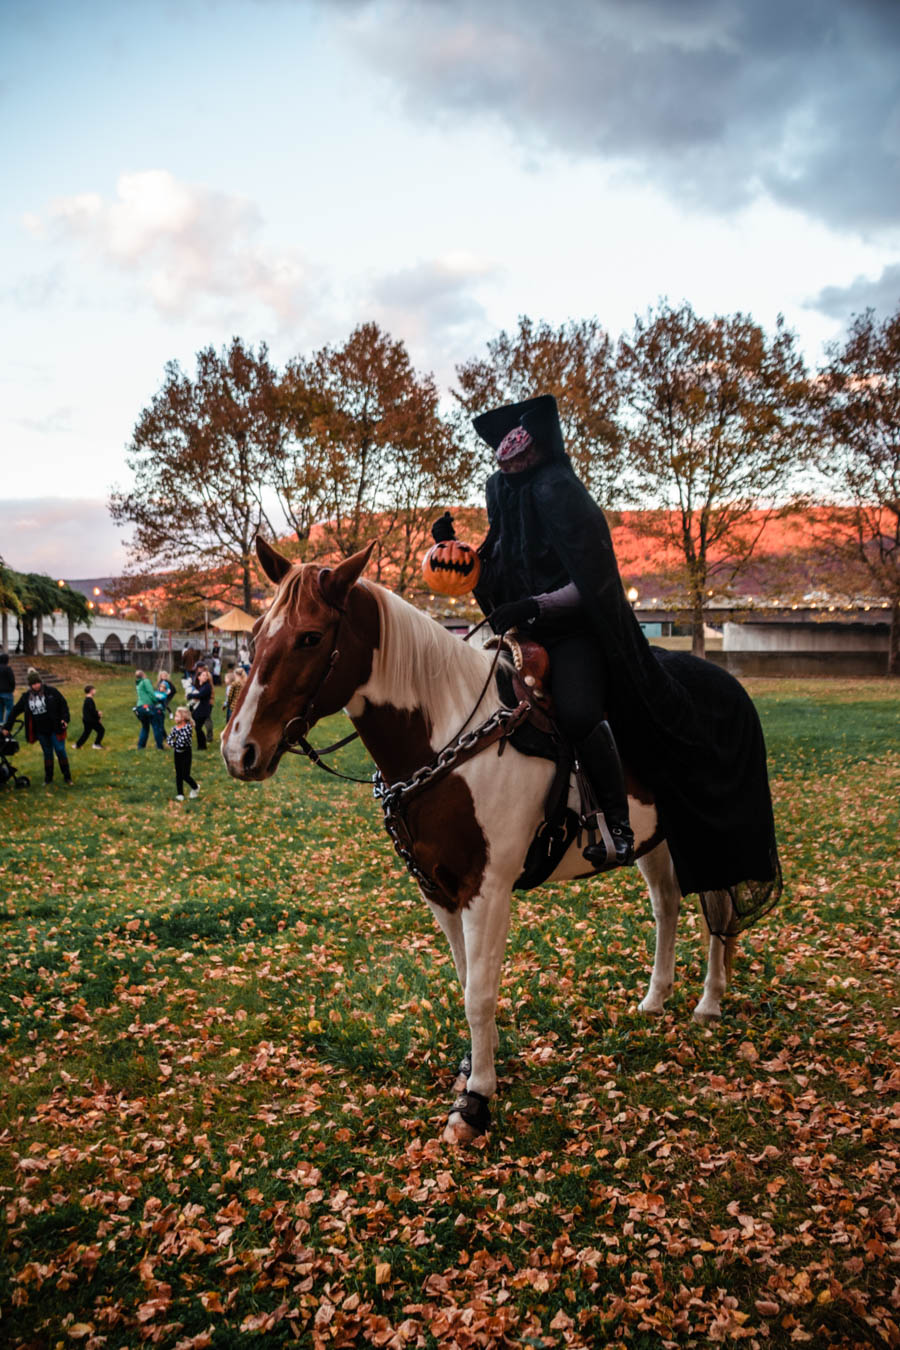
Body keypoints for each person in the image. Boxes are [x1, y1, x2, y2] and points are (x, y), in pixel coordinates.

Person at [435, 394, 780, 911]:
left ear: (536, 449)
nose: (507, 463)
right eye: (502, 458)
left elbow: (593, 583)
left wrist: (535, 604)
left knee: (576, 710)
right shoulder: (506, 498)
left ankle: (614, 823)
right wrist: (457, 551)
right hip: (526, 634)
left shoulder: (563, 494)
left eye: (516, 454)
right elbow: (500, 566)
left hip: (578, 631)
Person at [4, 668, 72, 785]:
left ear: (41, 682)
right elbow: (15, 711)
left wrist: (65, 719)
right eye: (33, 684)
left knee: (60, 750)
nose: (36, 686)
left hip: (55, 728)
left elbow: (63, 705)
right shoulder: (26, 697)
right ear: (30, 685)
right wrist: (7, 727)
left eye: (37, 683)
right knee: (47, 753)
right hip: (41, 731)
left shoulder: (51, 692)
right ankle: (48, 778)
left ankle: (67, 776)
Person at [166, 706, 200, 801]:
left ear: (183, 718)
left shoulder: (187, 728)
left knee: (185, 774)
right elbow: (169, 739)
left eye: (177, 716)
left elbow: (181, 743)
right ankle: (180, 794)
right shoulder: (175, 728)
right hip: (177, 753)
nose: (174, 718)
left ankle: (195, 787)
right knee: (178, 774)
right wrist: (173, 744)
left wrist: (172, 744)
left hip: (186, 753)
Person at [134, 669, 165, 749]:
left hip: (139, 708)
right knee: (156, 726)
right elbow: (151, 693)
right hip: (148, 707)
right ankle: (159, 746)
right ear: (143, 675)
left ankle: (141, 746)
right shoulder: (145, 681)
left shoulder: (138, 683)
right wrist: (156, 702)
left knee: (145, 727)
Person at [189, 662, 214, 749]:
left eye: (206, 676)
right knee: (197, 728)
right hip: (199, 710)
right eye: (203, 675)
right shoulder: (201, 686)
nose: (205, 677)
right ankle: (201, 745)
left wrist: (190, 695)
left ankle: (202, 746)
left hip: (203, 711)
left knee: (198, 728)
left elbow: (200, 695)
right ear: (199, 677)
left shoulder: (207, 686)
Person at [75, 684, 105, 748]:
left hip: (86, 719)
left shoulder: (87, 699)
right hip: (91, 720)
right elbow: (92, 712)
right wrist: (98, 715)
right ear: (91, 691)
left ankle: (77, 745)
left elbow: (90, 710)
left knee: (86, 733)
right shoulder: (89, 700)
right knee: (101, 730)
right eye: (94, 690)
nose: (95, 691)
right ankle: (96, 744)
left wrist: (97, 712)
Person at [0, 654, 15, 727]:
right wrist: (12, 689)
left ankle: (0, 723)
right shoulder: (8, 669)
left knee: (0, 709)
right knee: (9, 709)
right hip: (7, 692)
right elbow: (12, 680)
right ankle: (7, 725)